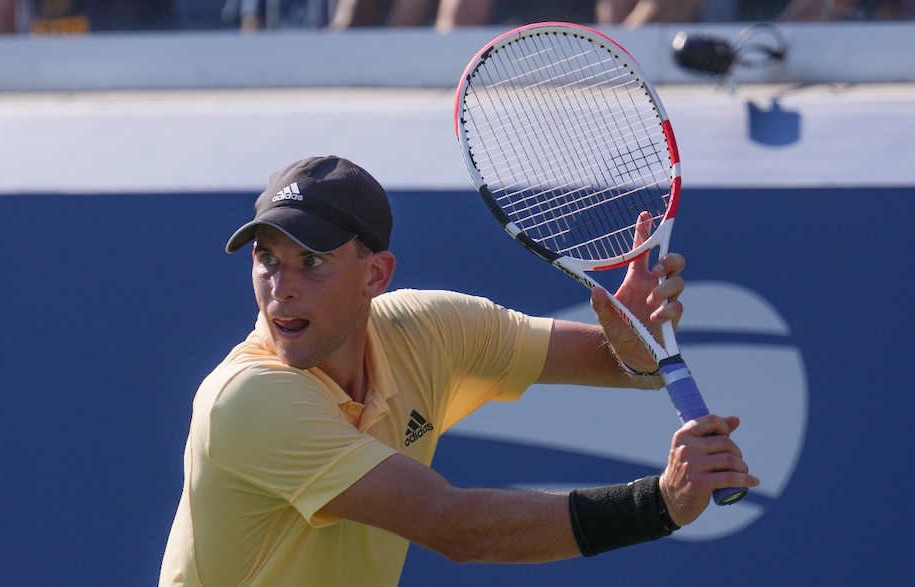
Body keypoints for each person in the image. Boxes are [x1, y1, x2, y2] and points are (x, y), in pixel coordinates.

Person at [159, 155, 758, 586]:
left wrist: (634, 342)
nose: (281, 289)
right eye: (267, 260)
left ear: (375, 275)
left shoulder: (430, 330)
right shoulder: (247, 399)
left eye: (312, 261)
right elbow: (455, 527)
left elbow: (618, 361)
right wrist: (660, 504)